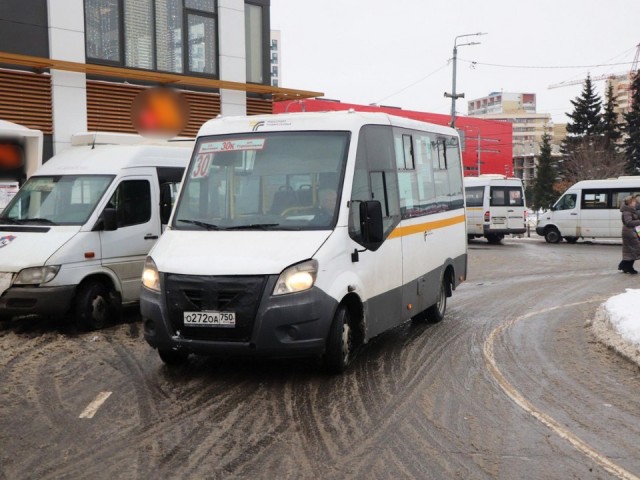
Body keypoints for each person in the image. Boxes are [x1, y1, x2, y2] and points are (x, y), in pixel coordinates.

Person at [618, 195, 640, 274]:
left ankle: (625, 266)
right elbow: (629, 222)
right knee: (635, 250)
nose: (635, 203)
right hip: (629, 232)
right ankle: (628, 267)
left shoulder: (631, 210)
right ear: (630, 203)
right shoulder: (627, 212)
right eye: (634, 201)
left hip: (631, 231)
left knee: (631, 251)